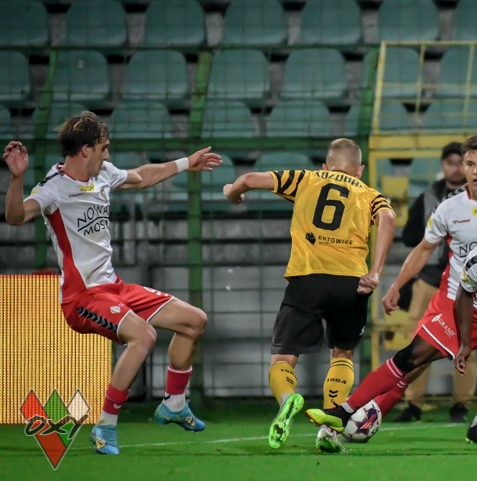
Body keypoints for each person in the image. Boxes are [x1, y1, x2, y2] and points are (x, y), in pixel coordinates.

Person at [3, 113, 223, 455]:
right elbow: (16, 216)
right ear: (85, 150)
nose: (107, 155)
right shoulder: (53, 189)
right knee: (144, 336)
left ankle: (174, 403)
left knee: (194, 321)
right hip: (82, 297)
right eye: (103, 148)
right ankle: (104, 426)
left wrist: (185, 163)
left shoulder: (102, 173)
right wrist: (16, 179)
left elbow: (140, 177)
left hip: (114, 287)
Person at [308, 135, 477, 446]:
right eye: (470, 164)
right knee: (412, 359)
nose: (476, 171)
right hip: (457, 301)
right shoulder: (449, 206)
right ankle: (362, 413)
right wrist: (397, 285)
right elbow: (423, 249)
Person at [307, 219, 477, 455]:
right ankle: (343, 412)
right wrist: (465, 344)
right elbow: (464, 295)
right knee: (410, 357)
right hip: (474, 313)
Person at [223, 138, 395, 452]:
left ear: (326, 166)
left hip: (307, 279)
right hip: (352, 283)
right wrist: (376, 272)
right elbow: (388, 218)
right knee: (342, 355)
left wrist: (233, 193)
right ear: (360, 169)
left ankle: (287, 399)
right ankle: (329, 429)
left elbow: (247, 179)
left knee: (283, 358)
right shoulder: (369, 193)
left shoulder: (306, 179)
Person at [395, 141, 477, 424]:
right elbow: (409, 237)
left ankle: (460, 405)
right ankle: (413, 403)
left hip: (465, 283)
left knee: (467, 344)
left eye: (461, 163)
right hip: (431, 281)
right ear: (443, 165)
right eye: (451, 163)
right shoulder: (428, 197)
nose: (456, 169)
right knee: (417, 342)